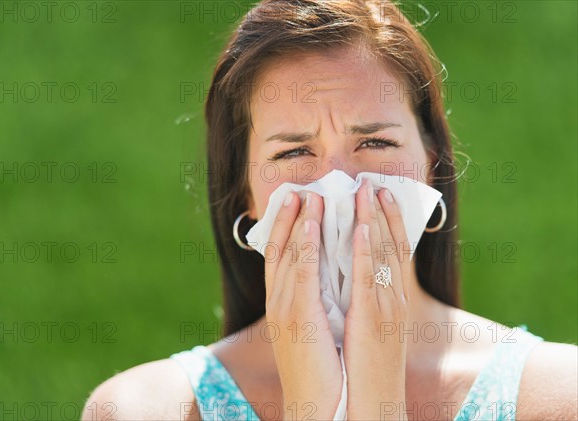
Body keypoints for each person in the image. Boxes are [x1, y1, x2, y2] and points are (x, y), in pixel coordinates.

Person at [82, 0, 577, 420]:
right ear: (246, 198)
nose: (339, 180)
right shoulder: (147, 407)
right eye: (294, 152)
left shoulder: (558, 396)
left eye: (376, 141)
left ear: (432, 166)